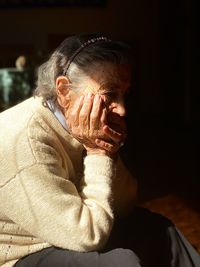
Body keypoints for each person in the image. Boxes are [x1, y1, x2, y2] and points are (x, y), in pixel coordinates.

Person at [0, 34, 199, 267]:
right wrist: (97, 153)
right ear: (64, 91)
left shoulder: (82, 124)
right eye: (110, 94)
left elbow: (124, 206)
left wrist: (110, 151)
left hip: (73, 226)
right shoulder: (27, 142)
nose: (123, 110)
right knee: (121, 263)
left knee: (160, 231)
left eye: (125, 94)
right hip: (23, 252)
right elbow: (88, 235)